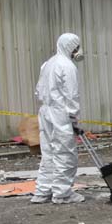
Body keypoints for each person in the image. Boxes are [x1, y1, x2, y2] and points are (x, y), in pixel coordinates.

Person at [31, 33, 86, 204]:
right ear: (71, 47)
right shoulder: (68, 66)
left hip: (46, 111)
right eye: (76, 47)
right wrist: (73, 117)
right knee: (65, 153)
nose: (78, 50)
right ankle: (62, 193)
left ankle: (42, 191)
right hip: (60, 112)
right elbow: (72, 94)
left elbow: (38, 90)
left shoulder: (48, 63)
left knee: (48, 152)